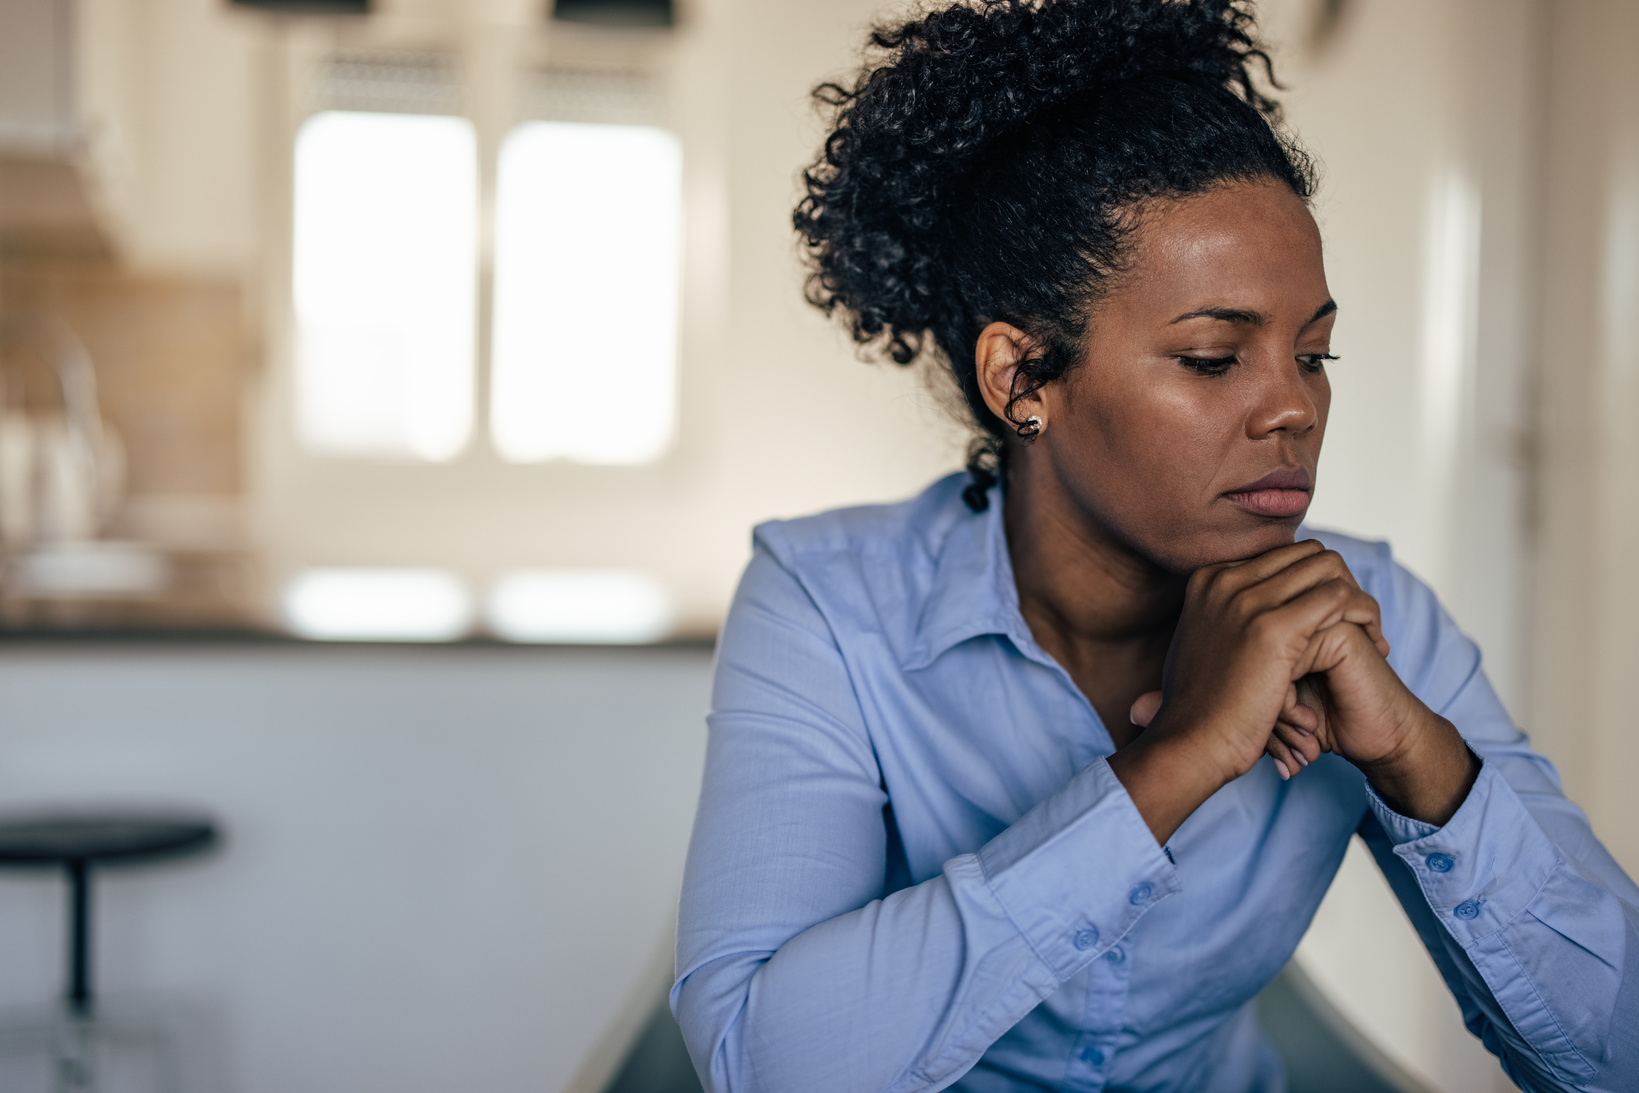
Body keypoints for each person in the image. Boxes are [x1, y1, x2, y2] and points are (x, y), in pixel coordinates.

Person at [671, 1, 1639, 1089]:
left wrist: (1421, 761)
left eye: (1313, 355)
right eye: (1216, 358)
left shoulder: (1370, 617)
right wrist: (1170, 764)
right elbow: (759, 1060)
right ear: (1021, 380)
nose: (1294, 412)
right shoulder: (824, 603)